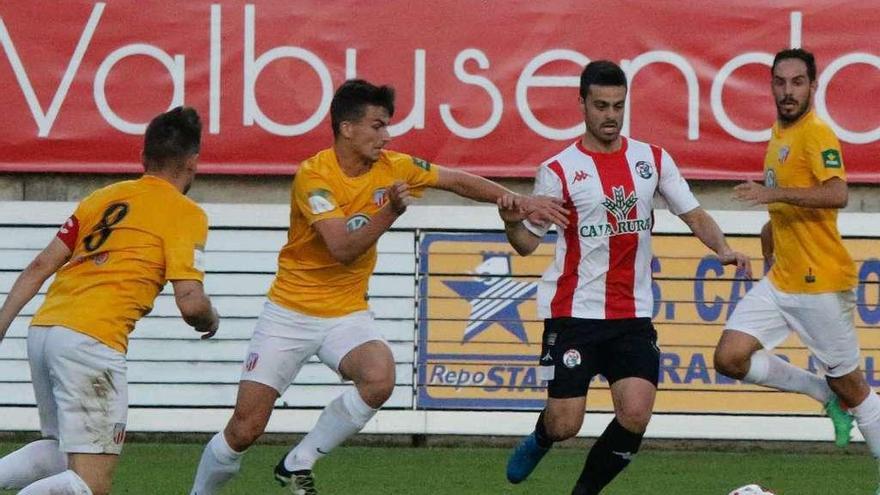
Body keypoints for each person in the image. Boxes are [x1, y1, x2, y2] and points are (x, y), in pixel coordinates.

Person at [189, 79, 567, 495]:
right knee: (245, 429)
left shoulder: (393, 165)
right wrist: (390, 212)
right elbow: (341, 249)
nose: (385, 136)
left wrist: (519, 201)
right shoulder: (314, 177)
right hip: (289, 313)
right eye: (377, 126)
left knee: (378, 377)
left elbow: (455, 180)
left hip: (346, 312)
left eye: (387, 126)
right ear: (347, 129)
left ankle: (298, 463)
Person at [498, 60, 751, 495]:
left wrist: (723, 248)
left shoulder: (651, 159)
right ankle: (543, 436)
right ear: (582, 105)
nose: (610, 115)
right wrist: (508, 221)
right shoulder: (558, 170)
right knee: (565, 424)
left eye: (618, 105)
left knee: (635, 413)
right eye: (600, 105)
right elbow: (526, 245)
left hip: (632, 314)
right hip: (573, 314)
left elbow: (692, 212)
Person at [0, 106, 220, 495]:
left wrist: (0, 325)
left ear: (143, 158)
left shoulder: (103, 198)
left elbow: (40, 264)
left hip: (45, 331)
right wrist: (210, 320)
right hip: (91, 340)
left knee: (58, 451)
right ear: (193, 162)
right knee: (91, 484)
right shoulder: (185, 212)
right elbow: (191, 303)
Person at [714, 48, 880, 491]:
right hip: (782, 277)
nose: (788, 92)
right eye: (780, 83)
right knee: (729, 357)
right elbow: (784, 204)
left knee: (856, 390)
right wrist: (770, 239)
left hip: (819, 282)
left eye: (797, 82)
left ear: (813, 86)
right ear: (770, 86)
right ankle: (821, 393)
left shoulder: (817, 135)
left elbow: (838, 194)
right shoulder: (778, 135)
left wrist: (774, 197)